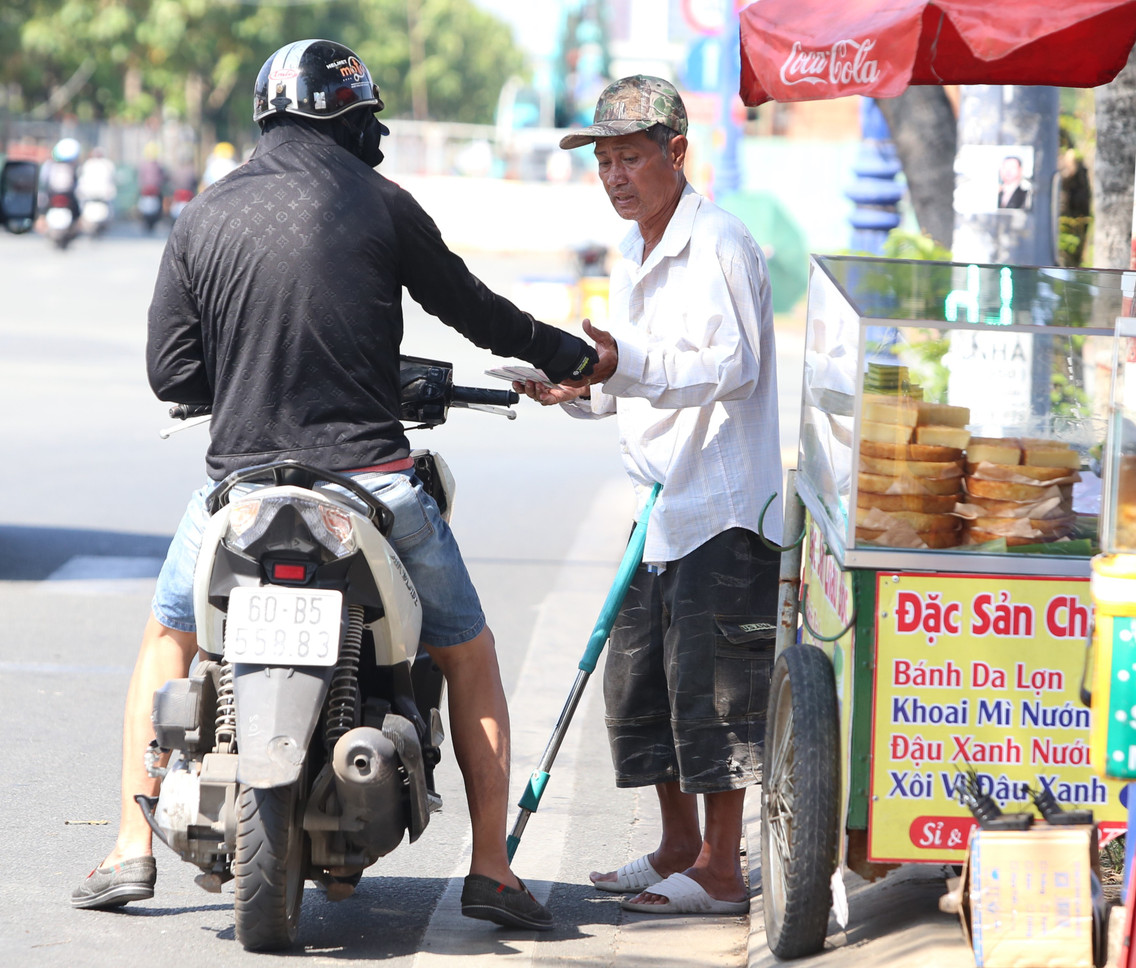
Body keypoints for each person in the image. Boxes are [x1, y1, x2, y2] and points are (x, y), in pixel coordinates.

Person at [69, 38, 607, 931]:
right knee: (466, 651)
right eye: (369, 120)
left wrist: (245, 380)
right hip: (373, 493)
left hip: (238, 495)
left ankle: (131, 846)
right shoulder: (382, 202)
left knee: (168, 637)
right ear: (349, 119)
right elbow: (476, 312)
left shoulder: (202, 214)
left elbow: (172, 374)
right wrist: (571, 357)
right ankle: (490, 867)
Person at [517, 75, 781, 916]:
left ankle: (721, 869)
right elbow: (634, 377)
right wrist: (580, 387)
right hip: (658, 506)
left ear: (676, 153)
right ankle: (675, 846)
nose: (615, 176)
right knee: (642, 686)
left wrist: (623, 365)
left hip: (722, 508)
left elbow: (733, 366)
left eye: (630, 157)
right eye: (604, 161)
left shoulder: (720, 244)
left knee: (714, 696)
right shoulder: (634, 251)